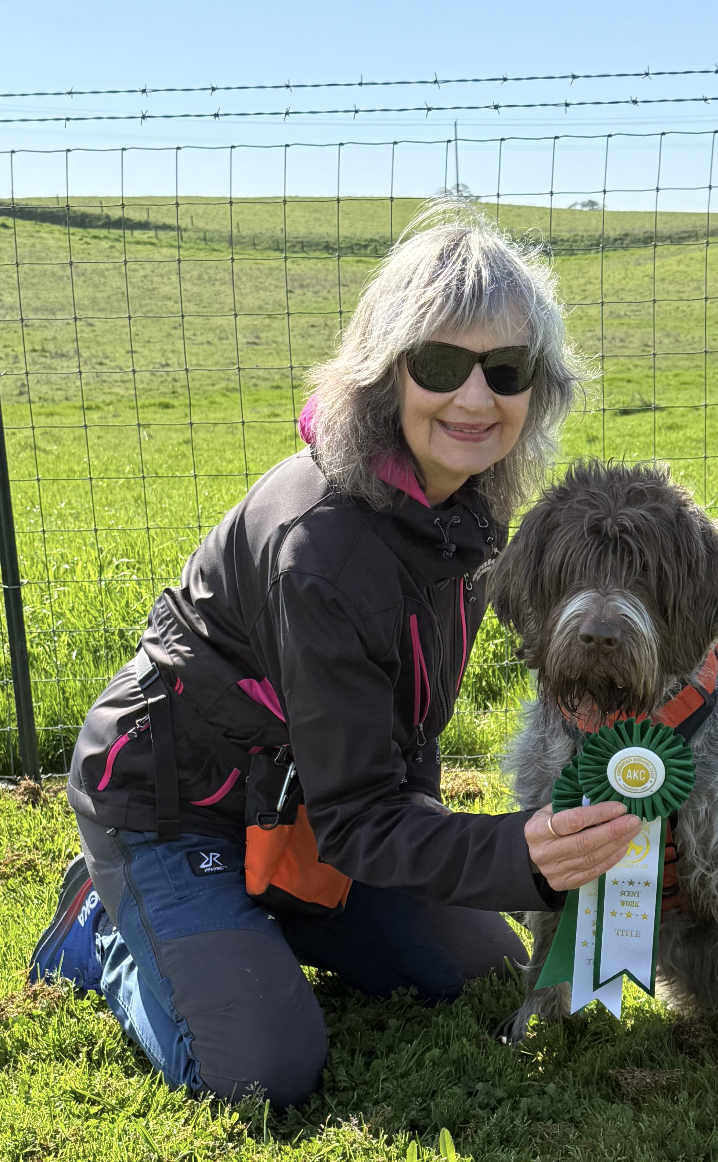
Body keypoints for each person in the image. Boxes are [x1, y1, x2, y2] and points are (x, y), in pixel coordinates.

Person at [28, 205, 641, 1110]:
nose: (475, 399)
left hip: (301, 807)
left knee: (479, 968)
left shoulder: (462, 508)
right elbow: (359, 818)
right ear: (384, 372)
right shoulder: (320, 545)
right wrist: (523, 851)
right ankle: (100, 925)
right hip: (174, 807)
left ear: (534, 389)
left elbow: (398, 735)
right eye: (440, 364)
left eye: (504, 370)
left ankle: (260, 918)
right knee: (262, 1073)